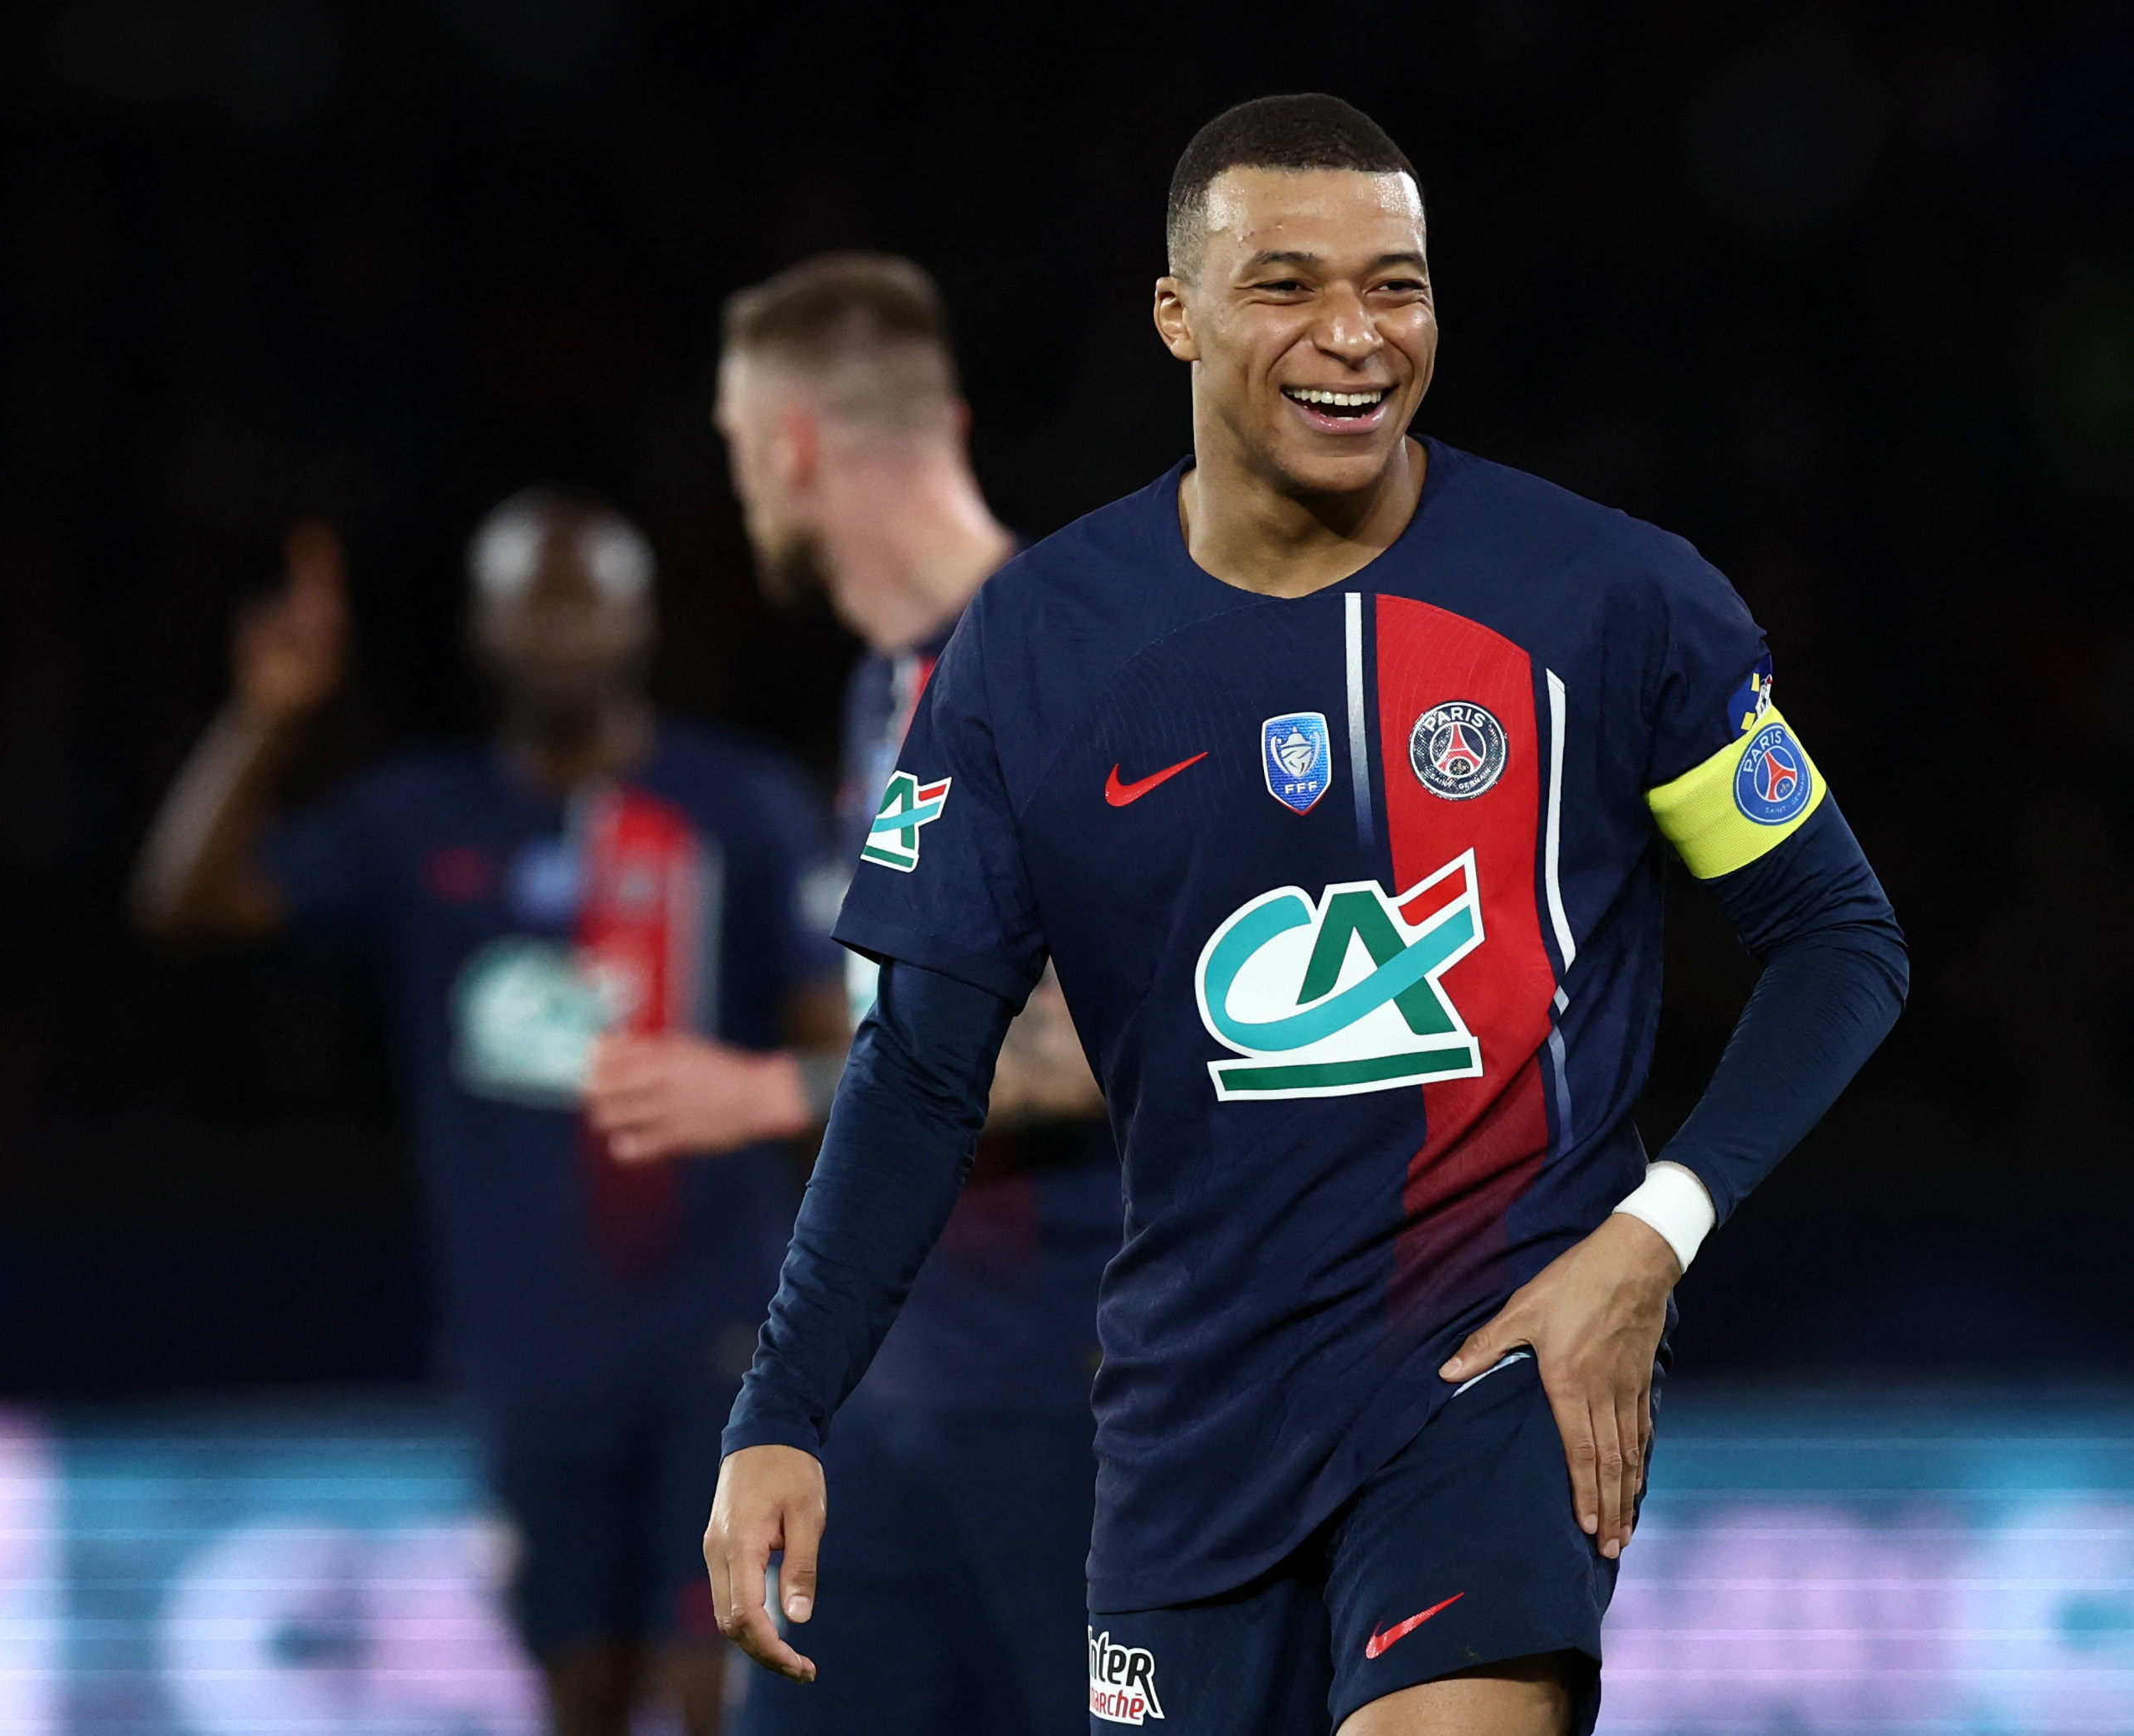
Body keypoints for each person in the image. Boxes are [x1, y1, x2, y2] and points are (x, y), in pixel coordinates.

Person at [701, 94, 1911, 1736]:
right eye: (1287, 284)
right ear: (1177, 313)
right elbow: (920, 1066)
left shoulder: (1616, 603)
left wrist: (1651, 1234)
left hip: (1485, 1386)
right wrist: (782, 1410)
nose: (1355, 334)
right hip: (1185, 1435)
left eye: (1396, 285)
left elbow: (1838, 936)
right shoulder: (1037, 649)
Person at [131, 495, 850, 1736]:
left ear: (644, 620)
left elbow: (836, 1051)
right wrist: (269, 719)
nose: (562, 627)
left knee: (715, 1680)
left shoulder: (735, 805)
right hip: (529, 1346)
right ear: (483, 628)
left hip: (723, 1333)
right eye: (534, 596)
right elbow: (185, 906)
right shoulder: (421, 821)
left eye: (589, 596)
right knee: (577, 1691)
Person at [689, 251, 1118, 1733]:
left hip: (1060, 1394)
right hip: (892, 1390)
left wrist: (779, 1092)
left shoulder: (1065, 659)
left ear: (795, 446)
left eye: (744, 457)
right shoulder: (889, 690)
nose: (748, 497)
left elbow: (1100, 1045)